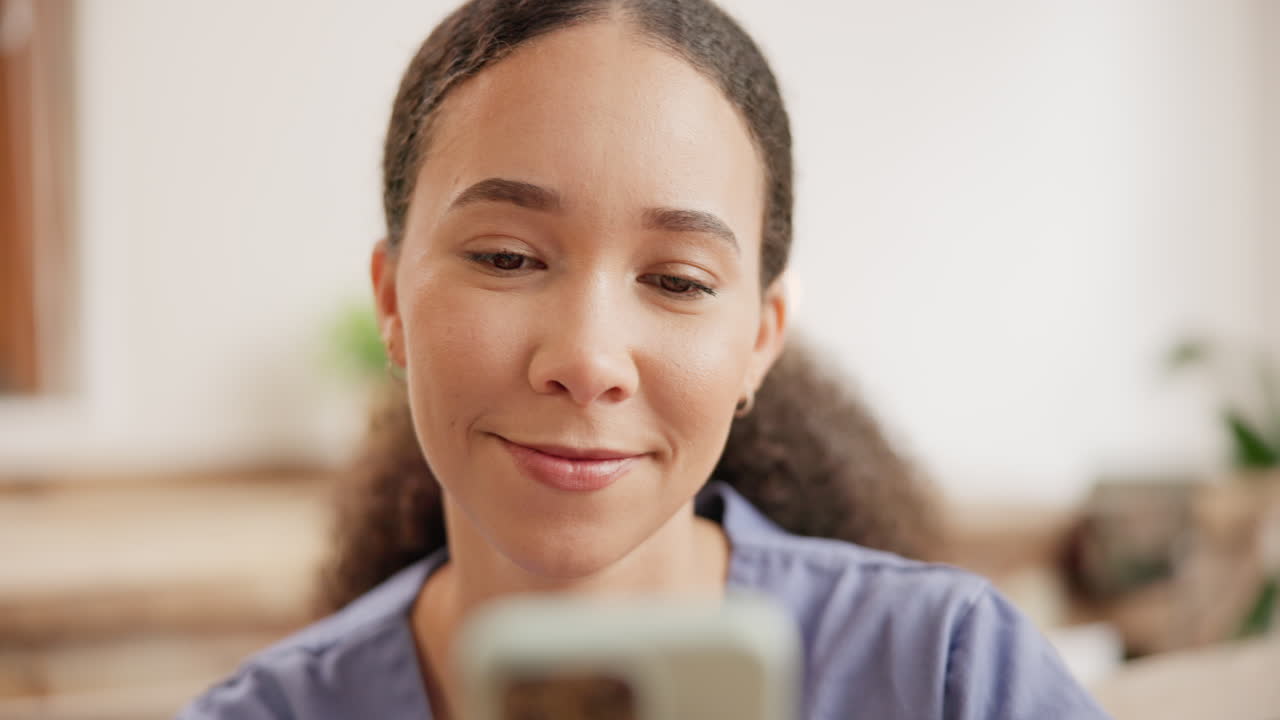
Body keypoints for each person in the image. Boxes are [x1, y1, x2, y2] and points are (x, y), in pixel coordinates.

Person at [178, 1, 1112, 718]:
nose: (587, 360)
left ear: (758, 340)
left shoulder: (949, 674)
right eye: (507, 258)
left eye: (677, 280)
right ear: (390, 302)